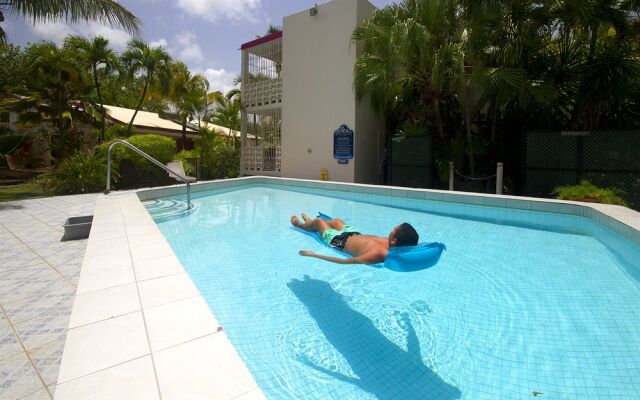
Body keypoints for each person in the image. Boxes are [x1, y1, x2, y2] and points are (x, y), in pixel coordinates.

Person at [290, 213, 419, 265]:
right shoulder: (393, 242)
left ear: (394, 241)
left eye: (393, 230)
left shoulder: (377, 253)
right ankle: (310, 224)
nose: (391, 231)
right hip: (353, 233)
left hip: (339, 240)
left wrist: (314, 255)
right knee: (337, 221)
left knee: (319, 221)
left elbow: (345, 262)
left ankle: (301, 225)